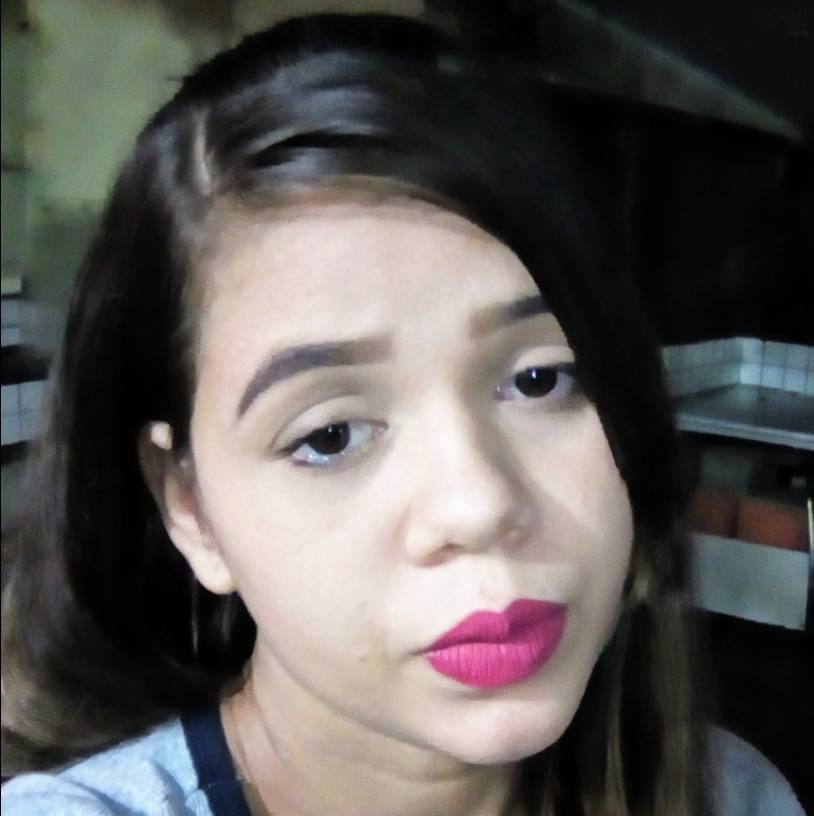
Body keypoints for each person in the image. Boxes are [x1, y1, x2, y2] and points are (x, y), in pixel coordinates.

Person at [0, 12, 804, 816]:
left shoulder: (733, 798)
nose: (478, 505)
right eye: (329, 436)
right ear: (190, 507)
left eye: (539, 380)